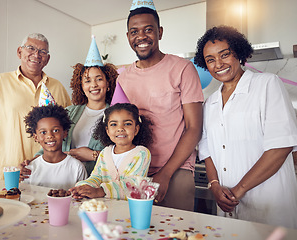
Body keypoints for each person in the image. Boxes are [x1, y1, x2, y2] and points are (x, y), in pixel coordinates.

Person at [194, 25, 297, 228]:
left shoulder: (267, 84)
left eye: (225, 55)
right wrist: (215, 186)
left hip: (269, 203)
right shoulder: (211, 102)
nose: (218, 64)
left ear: (239, 54)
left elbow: (281, 146)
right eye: (210, 60)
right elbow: (206, 150)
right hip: (227, 206)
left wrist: (238, 190)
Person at [115, 1, 204, 210]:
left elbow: (194, 128)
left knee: (176, 230)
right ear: (128, 36)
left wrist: (166, 173)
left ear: (160, 32)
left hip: (176, 170)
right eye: (134, 31)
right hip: (134, 170)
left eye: (148, 30)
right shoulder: (122, 78)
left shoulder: (182, 69)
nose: (141, 37)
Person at [0, 33, 71, 179]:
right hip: (9, 175)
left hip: (51, 176)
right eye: (31, 48)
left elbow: (68, 131)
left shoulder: (58, 87)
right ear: (19, 52)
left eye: (42, 52)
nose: (36, 54)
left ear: (47, 59)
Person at [30, 36, 118, 176]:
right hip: (65, 178)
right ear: (81, 86)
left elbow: (124, 154)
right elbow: (51, 142)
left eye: (99, 79)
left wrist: (93, 155)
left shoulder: (116, 117)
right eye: (87, 81)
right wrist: (32, 161)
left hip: (97, 182)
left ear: (108, 84)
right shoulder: (69, 112)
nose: (93, 85)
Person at [69, 103, 153, 200]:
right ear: (107, 131)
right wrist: (83, 187)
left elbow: (133, 185)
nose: (120, 129)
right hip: (104, 207)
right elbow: (96, 177)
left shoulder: (141, 153)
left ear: (136, 129)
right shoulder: (105, 153)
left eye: (127, 124)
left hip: (127, 209)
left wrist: (100, 191)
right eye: (114, 124)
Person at [22, 104, 87, 189]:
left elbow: (83, 199)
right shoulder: (30, 168)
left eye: (55, 130)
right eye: (43, 132)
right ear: (36, 137)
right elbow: (26, 197)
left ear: (65, 133)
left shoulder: (77, 167)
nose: (50, 136)